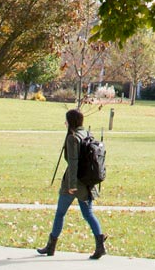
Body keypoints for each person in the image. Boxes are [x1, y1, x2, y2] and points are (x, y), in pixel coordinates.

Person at [39, 109, 105, 259]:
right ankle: (100, 245)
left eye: (66, 120)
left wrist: (72, 185)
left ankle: (51, 246)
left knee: (60, 213)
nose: (65, 123)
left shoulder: (72, 138)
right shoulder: (86, 134)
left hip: (73, 182)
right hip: (87, 181)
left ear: (71, 121)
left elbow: (73, 163)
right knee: (88, 214)